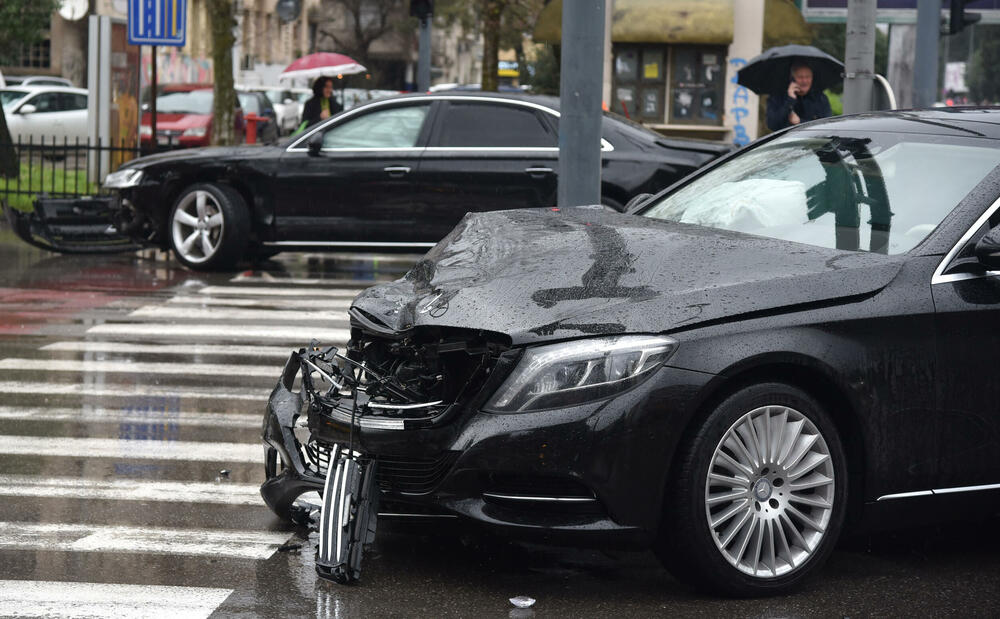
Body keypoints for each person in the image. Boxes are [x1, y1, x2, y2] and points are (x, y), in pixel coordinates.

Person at [765, 61, 831, 131]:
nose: (804, 81)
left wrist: (800, 122)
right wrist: (790, 100)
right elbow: (772, 125)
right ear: (792, 78)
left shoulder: (821, 98)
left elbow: (826, 126)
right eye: (800, 77)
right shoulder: (777, 97)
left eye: (808, 77)